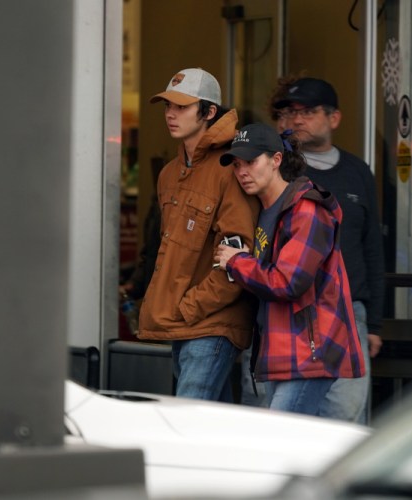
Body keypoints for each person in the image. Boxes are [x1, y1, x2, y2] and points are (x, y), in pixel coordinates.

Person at [215, 122, 365, 417]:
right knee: (301, 445)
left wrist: (236, 261)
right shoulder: (264, 211)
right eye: (236, 164)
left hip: (310, 352)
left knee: (278, 441)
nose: (242, 171)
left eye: (251, 161)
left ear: (276, 160)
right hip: (283, 349)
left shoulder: (306, 209)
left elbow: (288, 281)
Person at [137, 68, 259, 402]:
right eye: (167, 106)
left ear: (208, 112)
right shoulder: (168, 174)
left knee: (188, 417)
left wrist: (188, 307)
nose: (170, 114)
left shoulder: (231, 167)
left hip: (212, 323)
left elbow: (238, 257)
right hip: (183, 323)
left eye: (181, 107)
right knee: (212, 426)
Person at [274, 77, 385, 424]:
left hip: (349, 309)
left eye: (307, 111)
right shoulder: (277, 169)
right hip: (292, 307)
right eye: (290, 112)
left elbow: (372, 248)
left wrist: (375, 322)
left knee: (345, 412)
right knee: (287, 417)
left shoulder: (358, 173)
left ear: (333, 118)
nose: (297, 119)